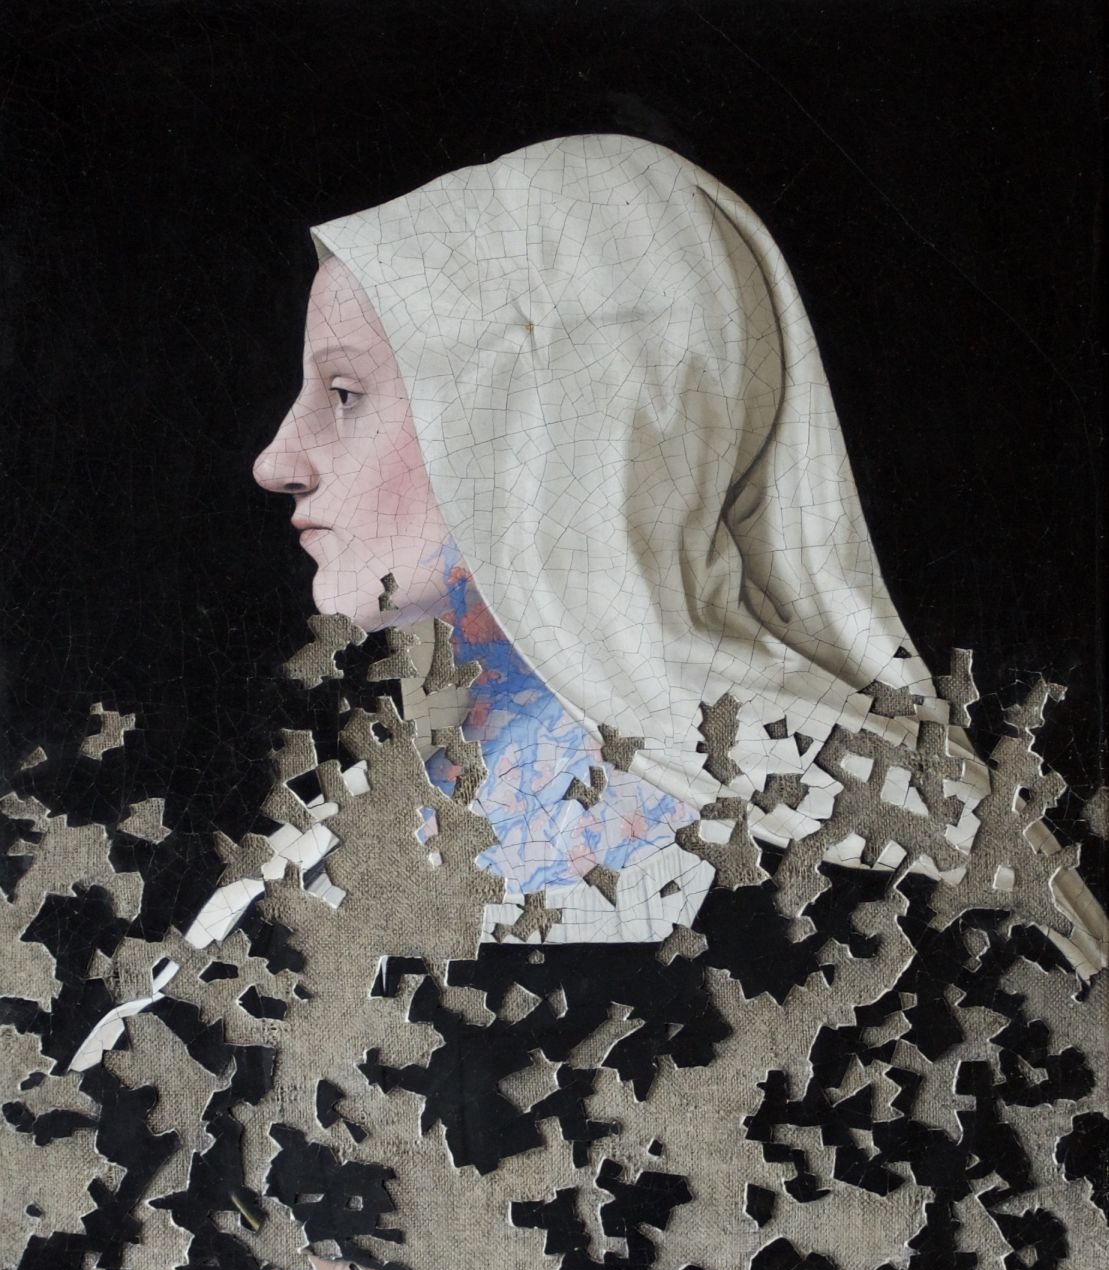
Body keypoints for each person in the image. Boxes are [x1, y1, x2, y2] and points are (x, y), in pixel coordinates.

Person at [235, 134, 1104, 968]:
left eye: (345, 393)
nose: (276, 461)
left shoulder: (889, 876)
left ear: (561, 415)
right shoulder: (331, 838)